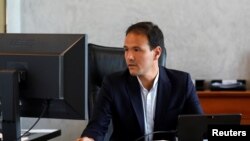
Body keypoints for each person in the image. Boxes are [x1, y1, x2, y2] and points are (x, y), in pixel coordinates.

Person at [77, 21, 203, 141]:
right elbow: (96, 127)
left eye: (136, 49)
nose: (129, 57)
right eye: (126, 49)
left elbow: (199, 129)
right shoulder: (113, 84)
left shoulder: (182, 83)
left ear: (156, 53)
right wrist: (88, 138)